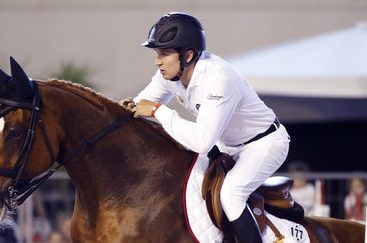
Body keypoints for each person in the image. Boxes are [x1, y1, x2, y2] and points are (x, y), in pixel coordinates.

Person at [120, 12, 290, 242]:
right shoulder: (170, 73)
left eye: (164, 54)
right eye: (156, 54)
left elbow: (201, 141)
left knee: (231, 194)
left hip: (264, 143)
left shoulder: (218, 79)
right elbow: (142, 103)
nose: (157, 61)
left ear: (188, 55)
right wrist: (124, 108)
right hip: (227, 143)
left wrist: (158, 111)